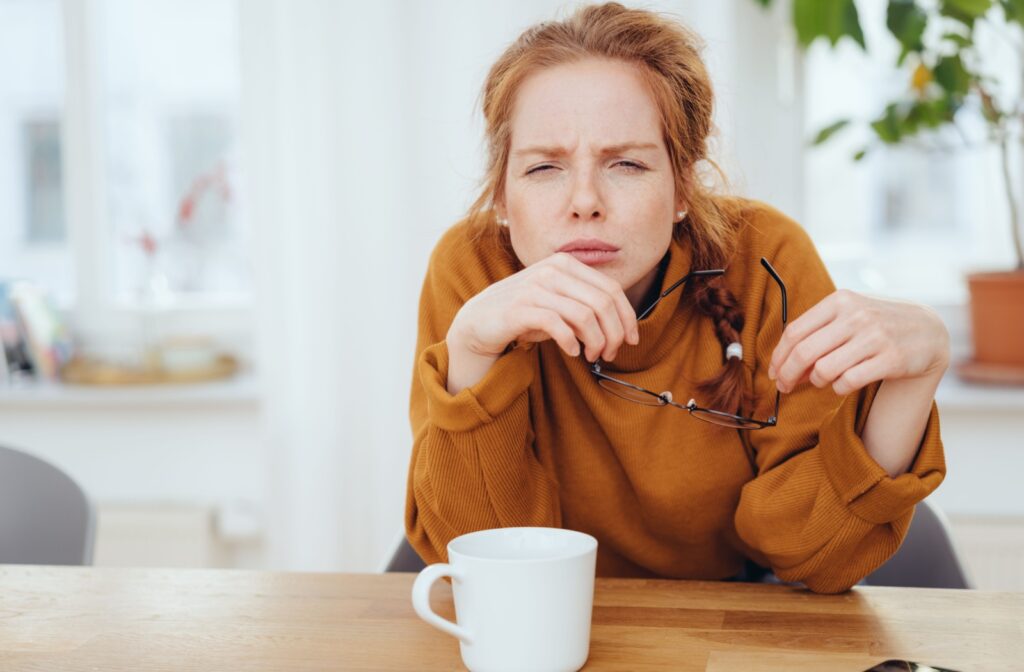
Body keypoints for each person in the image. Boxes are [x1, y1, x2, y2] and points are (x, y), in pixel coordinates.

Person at [404, 2, 948, 594]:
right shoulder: (472, 270)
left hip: (732, 616)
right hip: (546, 617)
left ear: (683, 187)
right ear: (503, 196)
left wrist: (919, 372)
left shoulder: (766, 260)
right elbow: (482, 560)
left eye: (627, 164)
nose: (584, 200)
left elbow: (815, 557)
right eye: (544, 169)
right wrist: (472, 350)